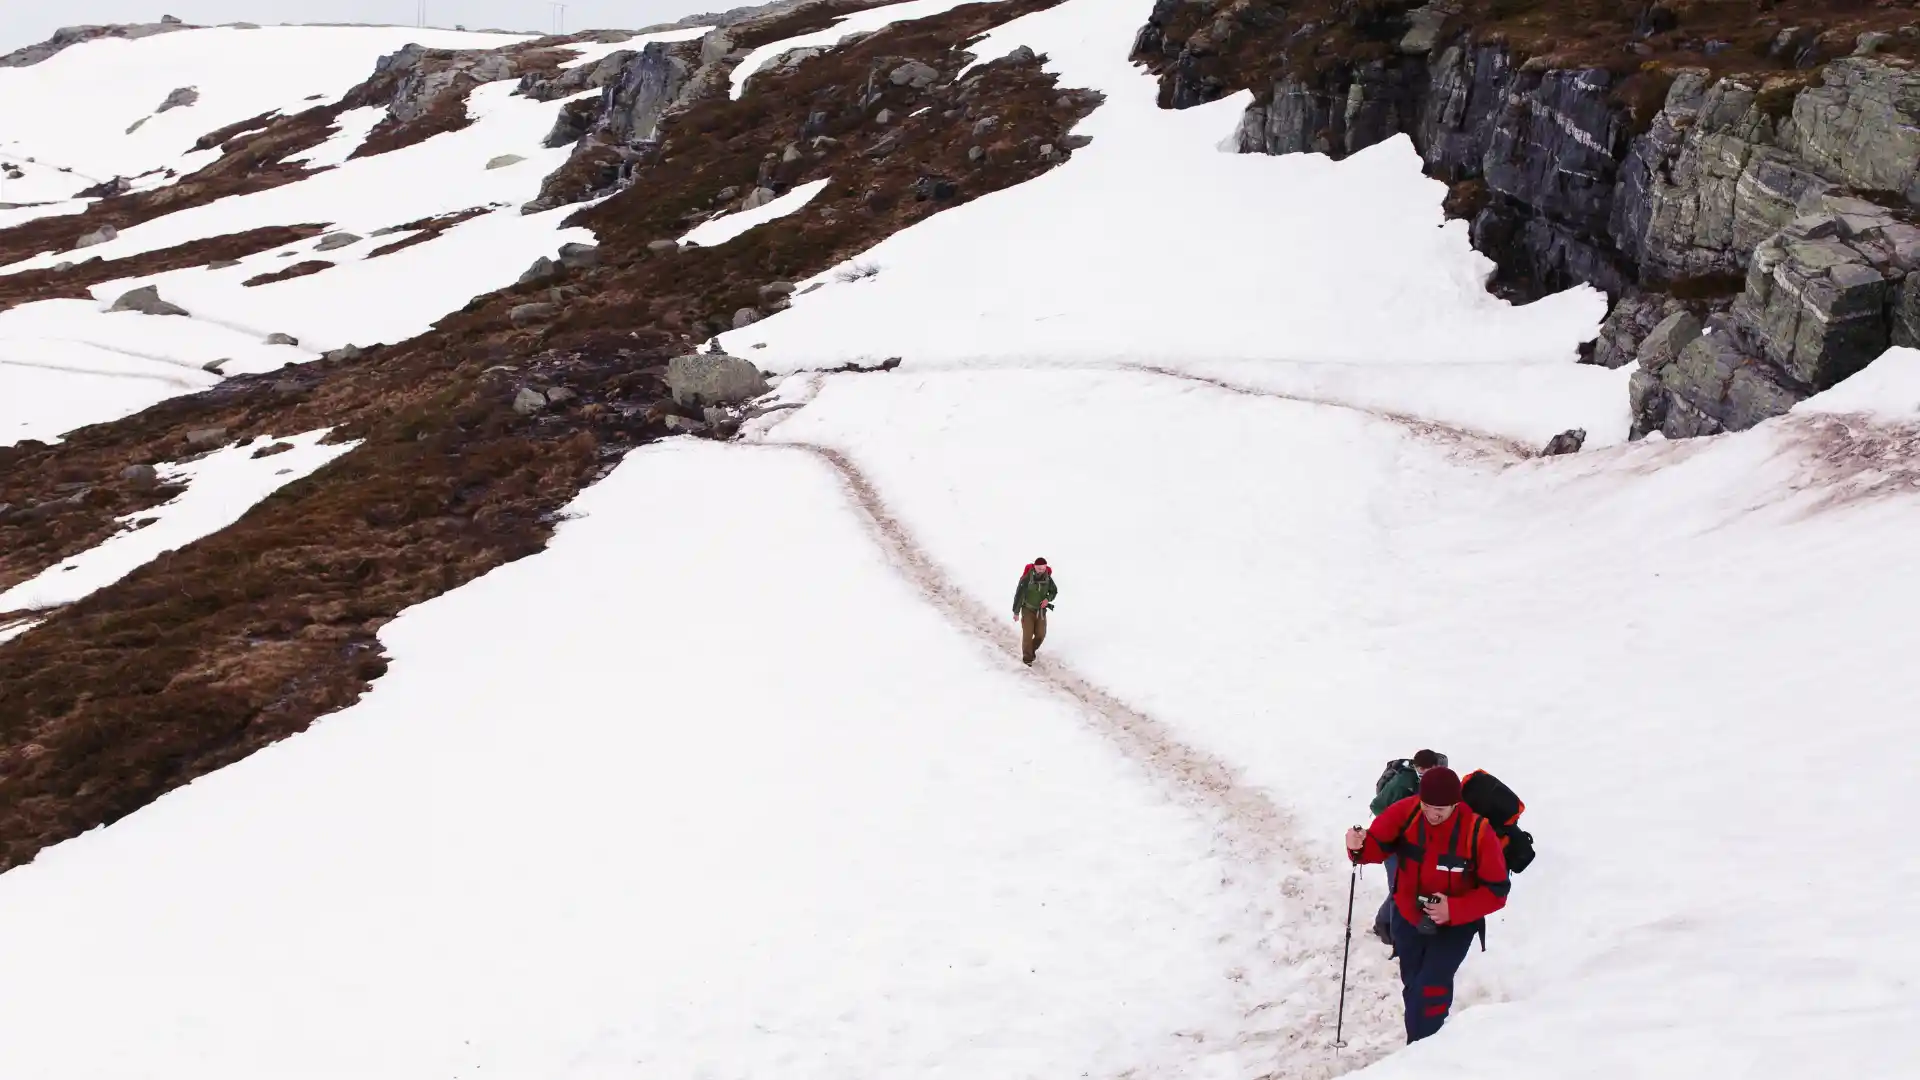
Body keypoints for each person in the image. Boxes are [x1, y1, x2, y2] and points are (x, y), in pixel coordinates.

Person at [1345, 766, 1509, 1044]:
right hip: (1408, 916)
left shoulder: (1477, 831)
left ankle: (1421, 1054)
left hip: (1455, 926)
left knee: (1430, 989)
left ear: (1456, 804)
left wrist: (1453, 910)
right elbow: (1375, 847)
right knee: (1413, 985)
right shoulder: (1406, 812)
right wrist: (1357, 846)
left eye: (1441, 810)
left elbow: (1497, 891)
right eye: (1427, 806)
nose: (1433, 814)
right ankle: (1422, 1049)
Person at [1369, 749, 1447, 944]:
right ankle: (1384, 926)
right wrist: (1397, 822)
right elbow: (1377, 806)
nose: (1423, 774)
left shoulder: (1441, 777)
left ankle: (1398, 925)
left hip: (1418, 844)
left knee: (1412, 888)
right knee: (1398, 889)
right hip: (1395, 844)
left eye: (1427, 770)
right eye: (1420, 771)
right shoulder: (1403, 781)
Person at [1010, 557, 1057, 666]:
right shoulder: (1027, 579)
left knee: (1041, 634)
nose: (1041, 570)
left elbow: (1054, 591)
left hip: (1040, 611)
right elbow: (1019, 595)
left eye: (1043, 568)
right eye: (1039, 568)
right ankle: (1027, 659)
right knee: (1028, 635)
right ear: (1035, 566)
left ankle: (1030, 651)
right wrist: (1016, 612)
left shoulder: (1048, 579)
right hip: (1027, 610)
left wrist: (1047, 599)